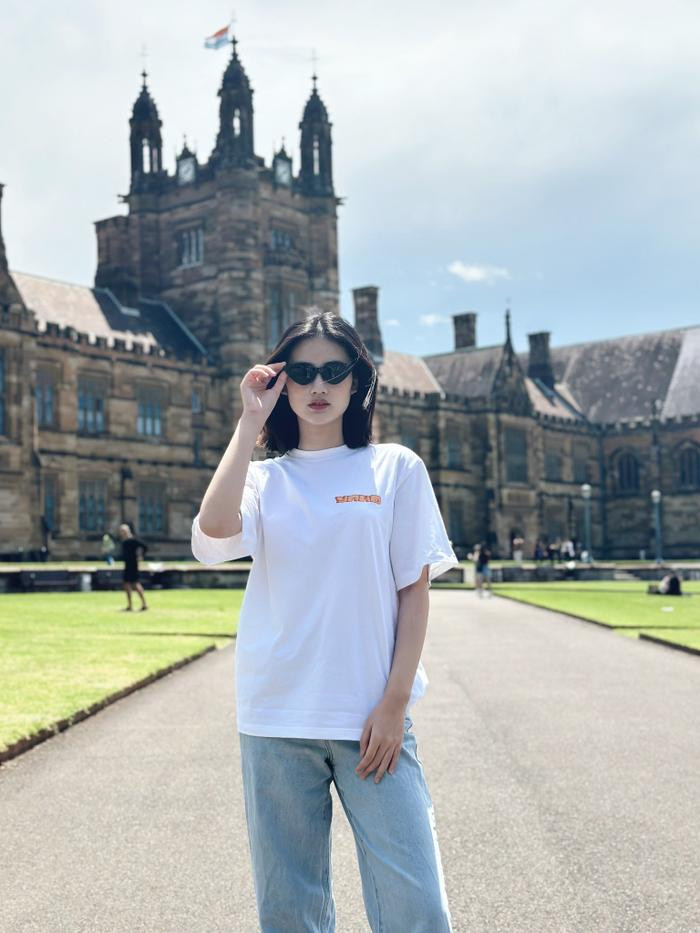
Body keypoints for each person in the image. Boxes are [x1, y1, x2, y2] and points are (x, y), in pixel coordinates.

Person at [191, 310, 457, 932]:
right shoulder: (263, 479)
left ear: (357, 380)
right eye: (303, 372)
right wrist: (250, 421)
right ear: (281, 380)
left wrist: (394, 704)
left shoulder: (395, 468)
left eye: (334, 372)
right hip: (276, 717)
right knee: (291, 913)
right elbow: (214, 532)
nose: (318, 385)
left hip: (371, 719)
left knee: (417, 909)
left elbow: (414, 593)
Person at [117, 523, 148, 611]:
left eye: (123, 531)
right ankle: (130, 605)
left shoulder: (133, 540)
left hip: (133, 565)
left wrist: (141, 556)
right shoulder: (124, 542)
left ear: (127, 531)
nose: (122, 533)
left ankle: (144, 604)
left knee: (136, 584)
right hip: (127, 565)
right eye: (121, 532)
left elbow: (145, 546)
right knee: (126, 585)